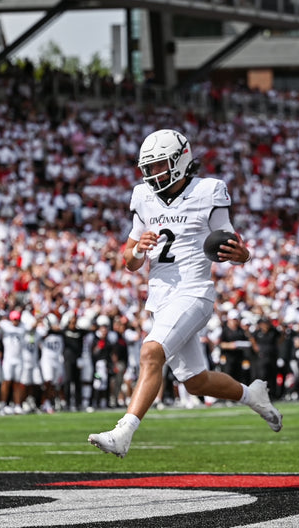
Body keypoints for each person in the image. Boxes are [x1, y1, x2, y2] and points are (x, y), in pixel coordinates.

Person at [88, 128, 282, 458]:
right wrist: (138, 250)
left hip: (194, 292)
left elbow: (231, 242)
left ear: (180, 161)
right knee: (196, 382)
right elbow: (129, 260)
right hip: (161, 298)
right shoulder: (143, 197)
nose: (152, 174)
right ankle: (254, 396)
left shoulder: (209, 190)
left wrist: (241, 254)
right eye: (147, 167)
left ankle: (124, 432)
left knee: (151, 352)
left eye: (160, 165)